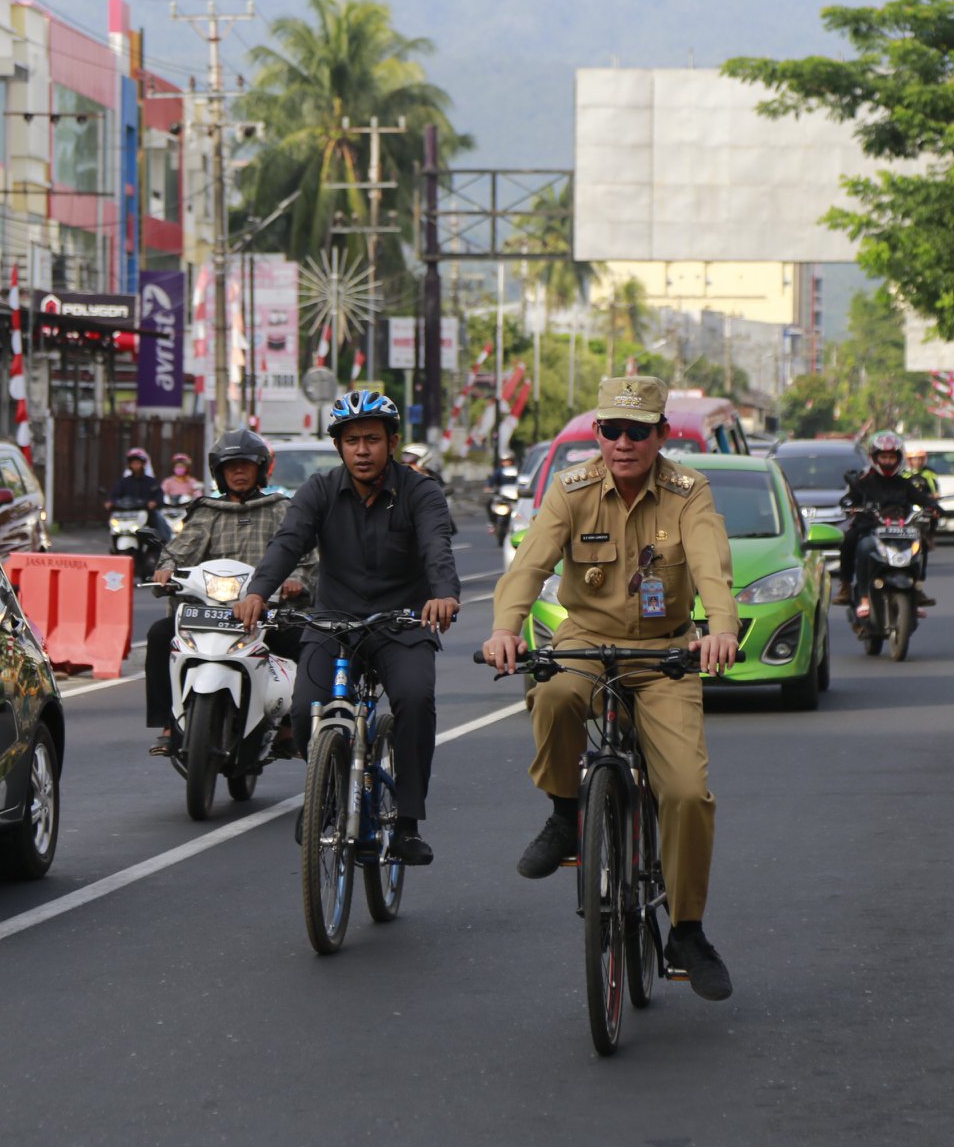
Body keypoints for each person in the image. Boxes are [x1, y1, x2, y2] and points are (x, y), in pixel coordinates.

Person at [481, 375, 740, 1001]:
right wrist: (504, 630)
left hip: (666, 654)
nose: (622, 443)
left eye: (636, 431)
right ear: (597, 433)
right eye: (611, 430)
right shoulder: (570, 490)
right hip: (587, 641)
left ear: (661, 435)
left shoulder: (688, 492)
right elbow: (529, 566)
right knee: (553, 691)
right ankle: (565, 814)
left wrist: (721, 630)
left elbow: (711, 565)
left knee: (684, 791)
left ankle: (686, 930)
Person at [234, 390, 460, 866]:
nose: (362, 449)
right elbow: (287, 542)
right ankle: (327, 793)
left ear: (392, 443)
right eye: (352, 440)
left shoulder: (421, 491)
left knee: (416, 699)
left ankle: (407, 823)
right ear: (339, 446)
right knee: (302, 710)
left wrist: (443, 594)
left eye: (372, 440)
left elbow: (436, 546)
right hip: (333, 622)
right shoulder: (318, 490)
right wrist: (258, 590)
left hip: (402, 624)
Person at [143, 429, 311, 756]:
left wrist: (298, 581)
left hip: (267, 612)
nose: (238, 471)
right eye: (230, 465)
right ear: (219, 471)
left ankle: (289, 726)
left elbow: (304, 556)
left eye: (245, 465)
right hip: (209, 612)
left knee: (307, 641)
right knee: (159, 635)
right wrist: (166, 569)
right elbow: (180, 550)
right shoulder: (206, 511)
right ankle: (167, 722)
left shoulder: (281, 510)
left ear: (260, 469)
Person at [837, 430, 938, 618]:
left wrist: (935, 507)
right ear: (875, 457)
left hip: (901, 531)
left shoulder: (904, 483)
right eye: (884, 456)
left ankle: (916, 589)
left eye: (892, 457)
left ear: (899, 458)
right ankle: (854, 592)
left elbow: (923, 499)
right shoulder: (864, 482)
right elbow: (849, 499)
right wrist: (850, 505)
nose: (888, 461)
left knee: (920, 544)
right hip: (870, 529)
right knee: (856, 543)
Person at [104, 447, 169, 544]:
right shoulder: (124, 482)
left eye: (138, 463)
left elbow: (158, 496)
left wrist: (154, 502)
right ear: (130, 465)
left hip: (145, 514)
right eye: (133, 463)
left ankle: (163, 544)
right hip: (126, 514)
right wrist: (110, 502)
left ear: (143, 464)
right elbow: (114, 495)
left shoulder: (151, 482)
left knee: (158, 518)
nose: (136, 465)